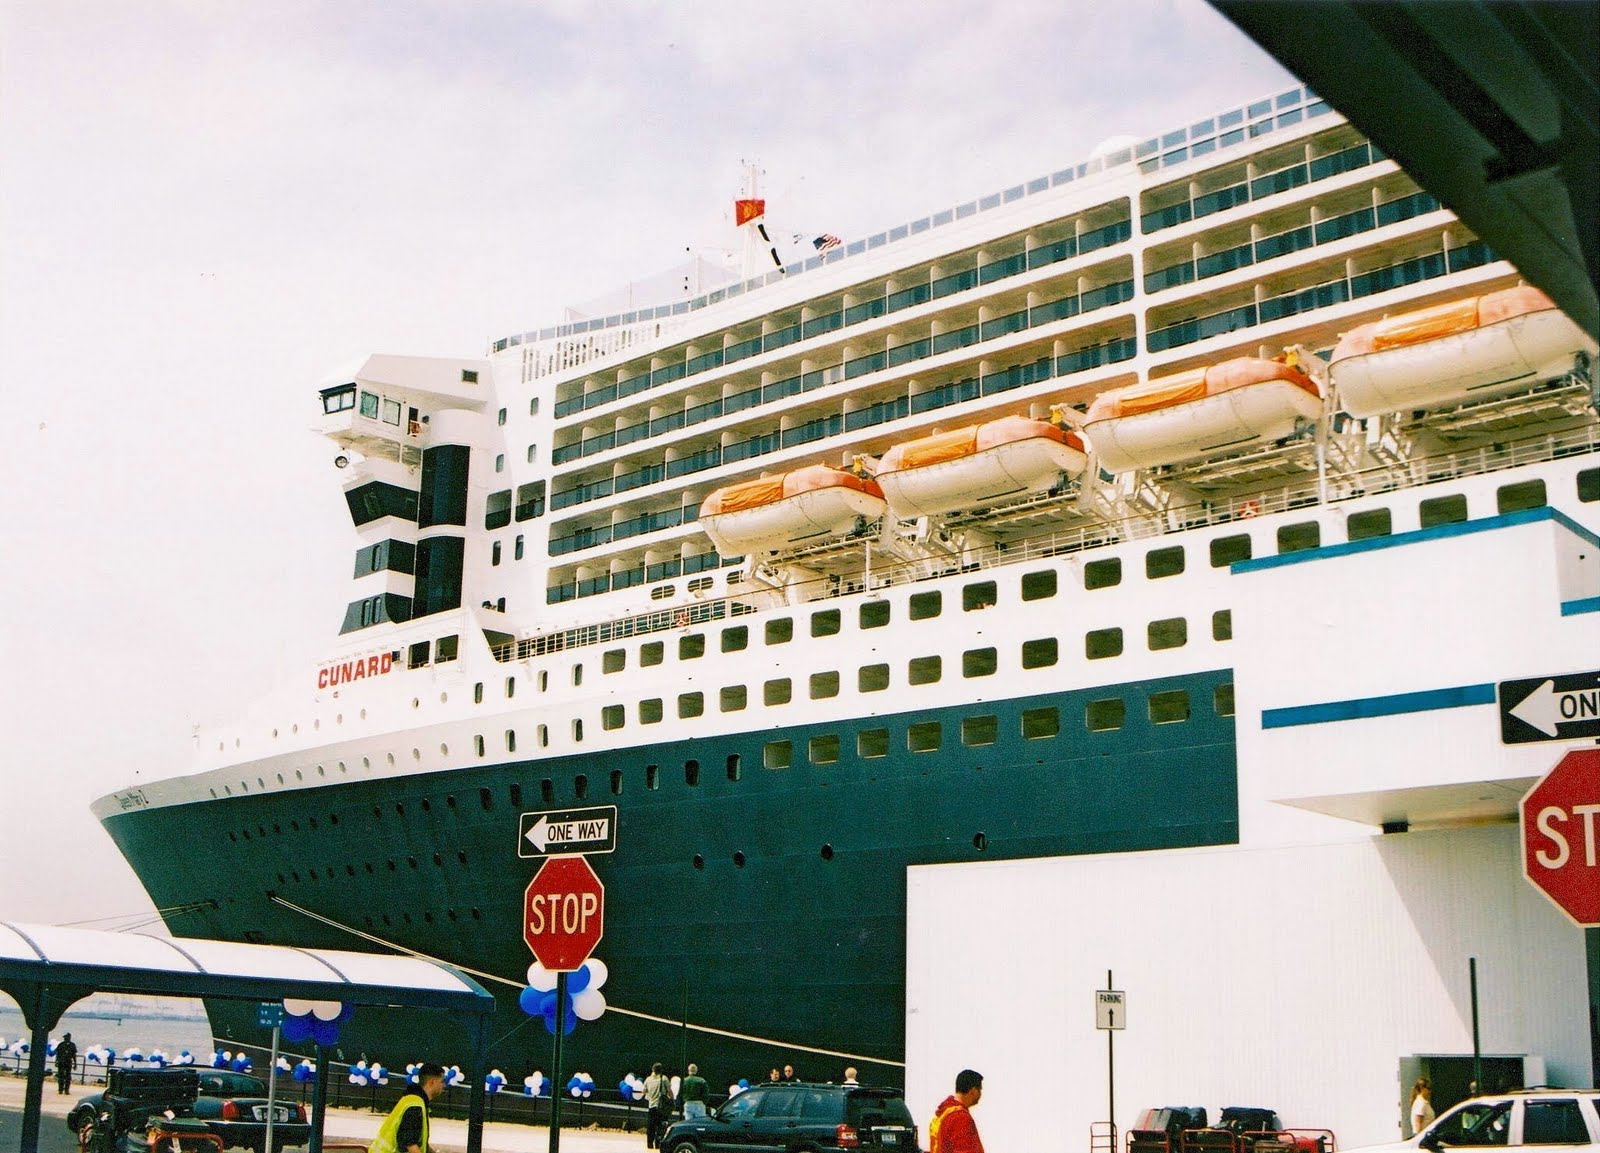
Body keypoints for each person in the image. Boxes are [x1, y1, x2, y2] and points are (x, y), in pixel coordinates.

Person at [370, 1062, 445, 1153]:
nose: (444, 1085)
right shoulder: (415, 1106)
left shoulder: (413, 1101)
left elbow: (418, 1143)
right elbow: (410, 1144)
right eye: (442, 1081)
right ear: (432, 1082)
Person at [929, 1069, 985, 1153]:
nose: (980, 1094)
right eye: (980, 1090)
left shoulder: (944, 1112)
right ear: (973, 1091)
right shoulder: (961, 1118)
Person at [643, 1062, 672, 1149]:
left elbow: (644, 1091)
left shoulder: (648, 1079)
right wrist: (672, 1100)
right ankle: (658, 1144)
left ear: (653, 1070)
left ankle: (649, 1144)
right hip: (661, 1107)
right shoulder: (664, 1079)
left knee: (651, 1126)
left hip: (651, 1106)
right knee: (661, 1126)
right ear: (661, 1070)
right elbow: (670, 1091)